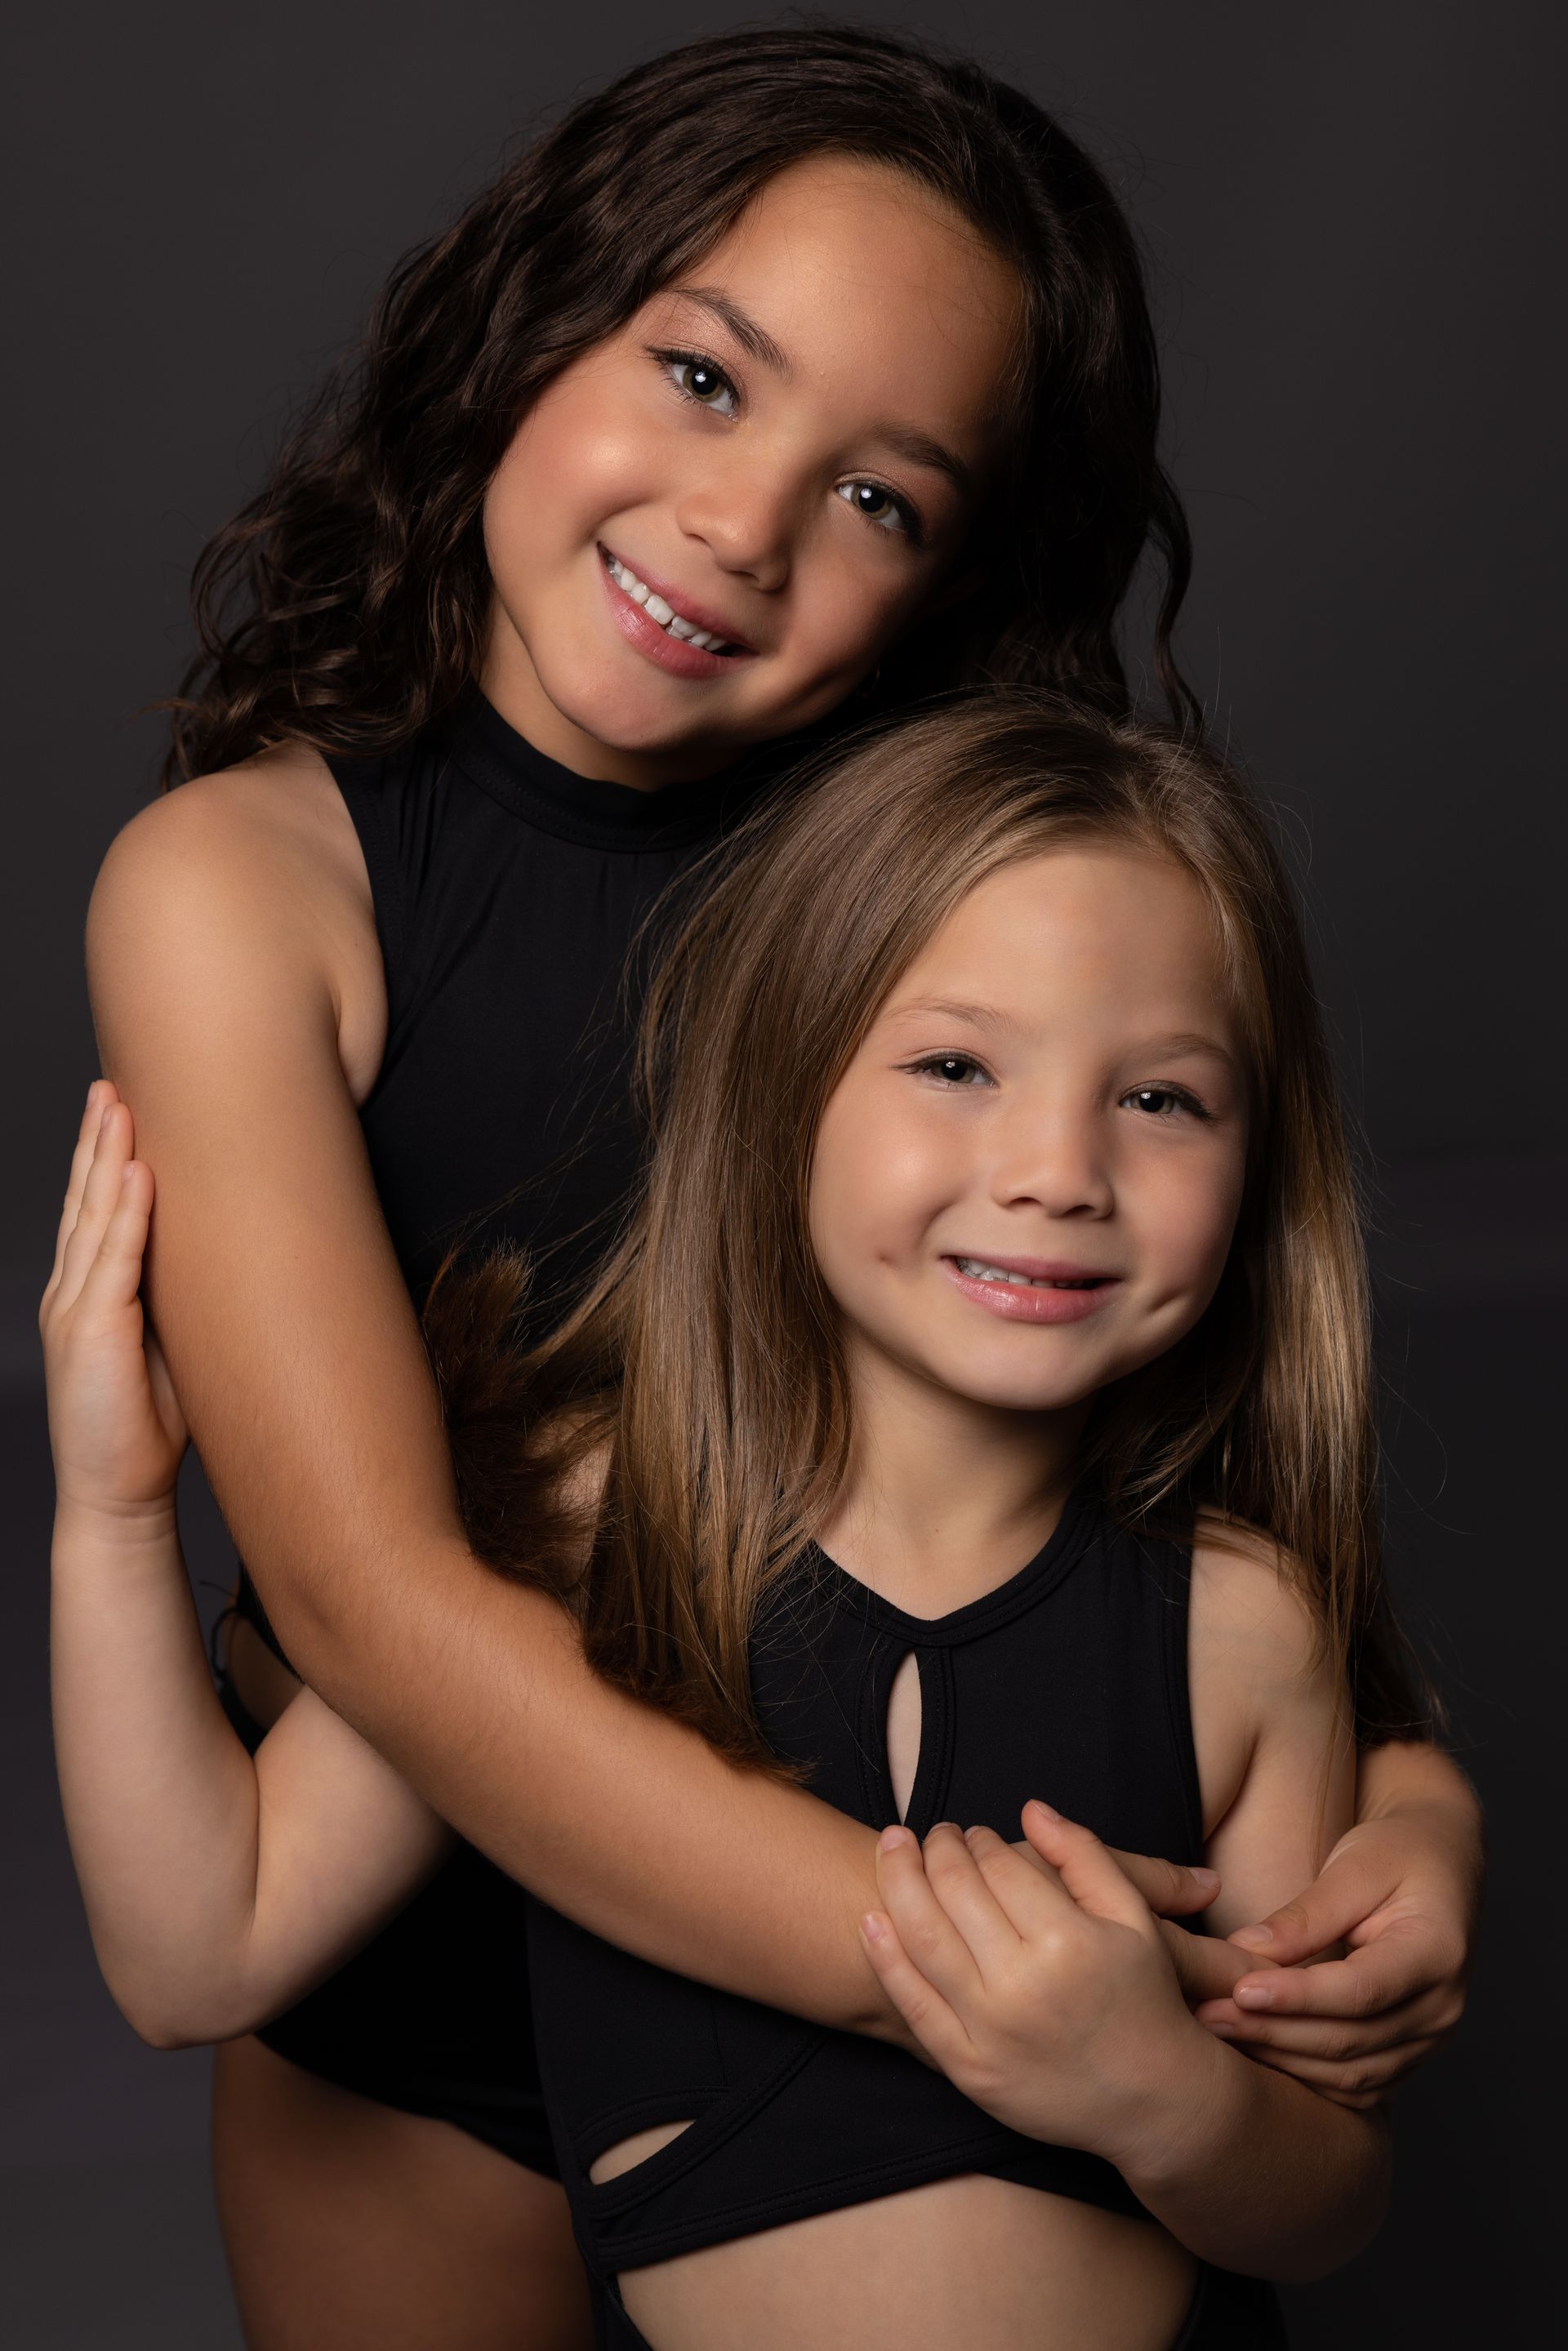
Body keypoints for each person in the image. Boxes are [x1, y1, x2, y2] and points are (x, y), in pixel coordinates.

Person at [77, 23, 1480, 2349]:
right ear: (533, 319)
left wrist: (1414, 1826)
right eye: (708, 379)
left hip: (978, 1962)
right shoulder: (247, 889)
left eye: (884, 497)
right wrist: (979, 1978)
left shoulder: (961, 895)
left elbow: (1194, 1479)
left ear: (958, 577)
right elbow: (378, 1603)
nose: (742, 526)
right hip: (447, 1968)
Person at [51, 695, 1431, 2350]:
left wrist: (1166, 2100)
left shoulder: (1243, 1626)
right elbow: (199, 1949)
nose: (1060, 1168)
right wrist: (115, 1518)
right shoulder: (569, 1541)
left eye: (1163, 1102)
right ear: (784, 1086)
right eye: (955, 1065)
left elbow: (1333, 2194)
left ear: (1258, 1164)